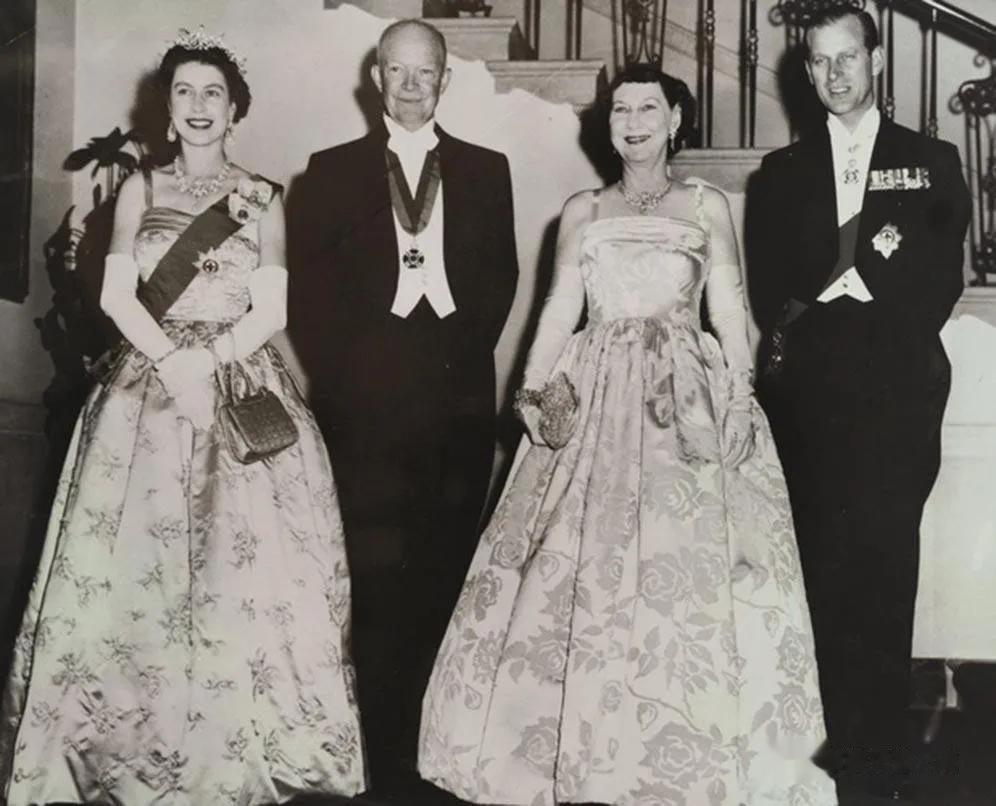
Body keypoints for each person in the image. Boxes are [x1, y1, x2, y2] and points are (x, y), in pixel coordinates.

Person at [418, 63, 836, 806]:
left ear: (676, 121)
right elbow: (558, 308)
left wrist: (740, 396)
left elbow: (728, 308)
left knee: (684, 565)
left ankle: (684, 742)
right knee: (580, 567)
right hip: (595, 394)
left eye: (649, 108)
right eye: (620, 109)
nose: (633, 122)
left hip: (685, 398)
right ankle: (579, 744)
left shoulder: (706, 204)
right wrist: (532, 389)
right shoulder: (582, 209)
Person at [0, 30, 365, 804]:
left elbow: (273, 307)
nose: (198, 106)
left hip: (239, 374)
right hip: (147, 382)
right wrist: (173, 361)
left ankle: (240, 744)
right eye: (184, 93)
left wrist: (213, 359)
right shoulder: (141, 188)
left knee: (250, 565)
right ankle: (121, 747)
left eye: (213, 94)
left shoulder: (261, 197)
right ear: (167, 109)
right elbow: (115, 295)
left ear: (235, 111)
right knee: (134, 569)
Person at [288, 18, 518, 795]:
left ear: (445, 79)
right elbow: (308, 296)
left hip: (456, 395)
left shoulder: (488, 169)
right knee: (373, 573)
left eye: (426, 73)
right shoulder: (329, 171)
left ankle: (433, 751)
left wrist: (455, 355)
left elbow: (501, 278)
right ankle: (377, 754)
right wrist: (356, 371)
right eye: (398, 71)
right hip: (365, 403)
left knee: (445, 567)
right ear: (375, 77)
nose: (412, 86)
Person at [748, 3, 971, 795]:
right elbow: (768, 285)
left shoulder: (931, 159)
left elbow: (942, 275)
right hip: (811, 390)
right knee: (820, 562)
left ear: (875, 60)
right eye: (819, 61)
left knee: (884, 561)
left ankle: (878, 749)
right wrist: (825, 305)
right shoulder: (780, 173)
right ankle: (828, 738)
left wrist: (866, 296)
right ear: (806, 71)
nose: (834, 74)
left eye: (847, 57)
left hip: (897, 385)